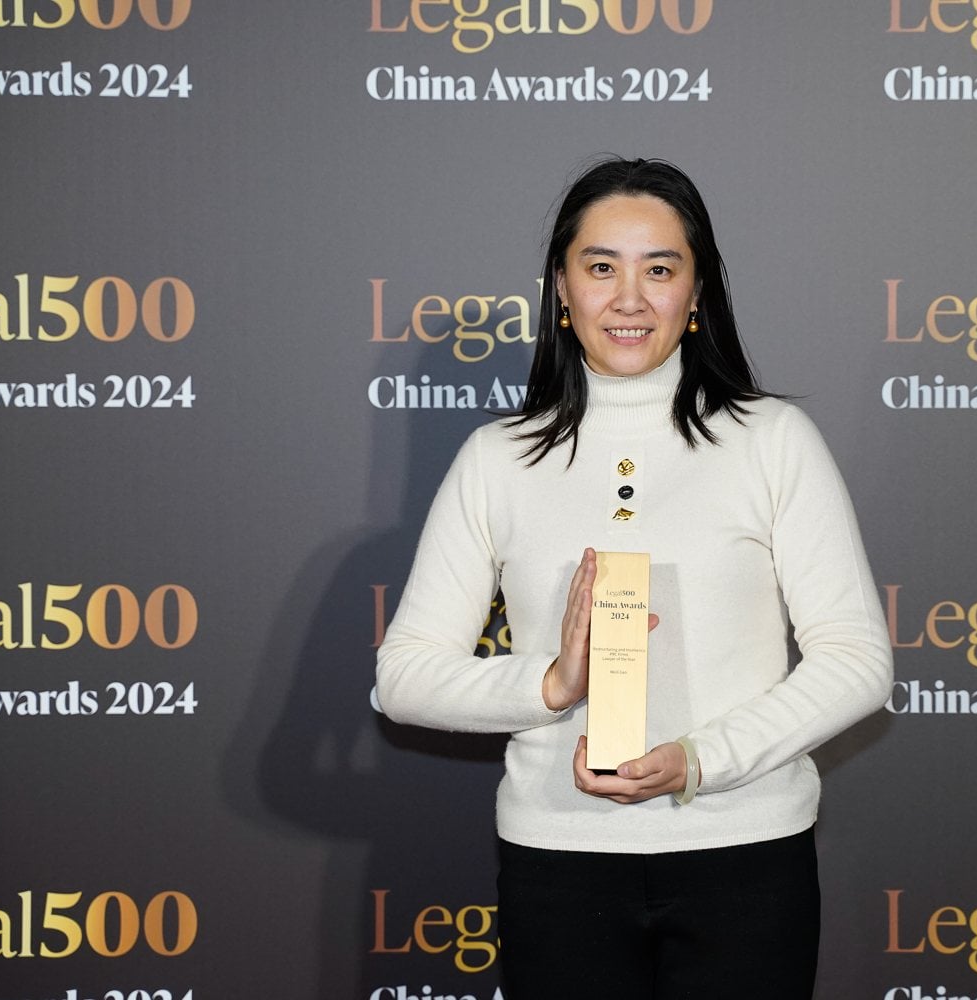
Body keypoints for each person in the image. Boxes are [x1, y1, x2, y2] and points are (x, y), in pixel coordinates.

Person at [375, 157, 893, 999]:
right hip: (559, 865)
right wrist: (551, 683)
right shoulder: (496, 459)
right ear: (561, 288)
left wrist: (698, 761)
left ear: (697, 293)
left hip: (746, 859)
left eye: (659, 269)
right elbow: (404, 679)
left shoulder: (772, 441)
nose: (628, 298)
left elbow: (857, 661)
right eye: (600, 267)